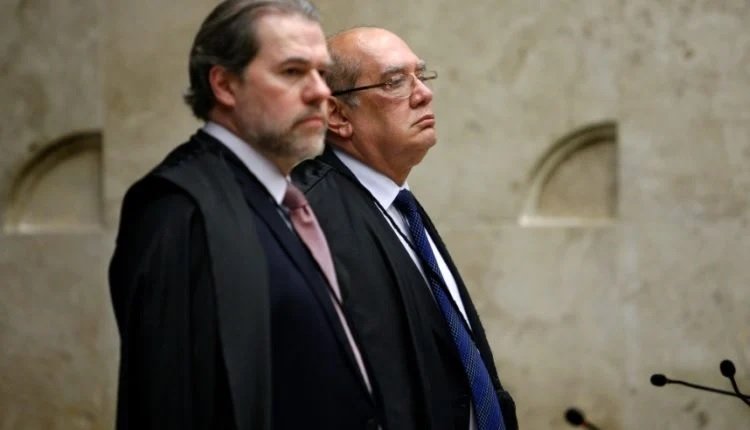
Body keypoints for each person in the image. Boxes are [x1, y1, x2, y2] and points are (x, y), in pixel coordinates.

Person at [108, 2, 379, 429]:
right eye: (292, 71)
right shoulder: (179, 207)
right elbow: (170, 399)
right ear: (225, 84)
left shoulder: (282, 200)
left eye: (322, 73)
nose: (320, 93)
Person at [293, 27, 518, 430]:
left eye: (421, 75)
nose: (424, 93)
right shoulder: (308, 216)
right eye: (395, 82)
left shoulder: (400, 205)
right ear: (337, 115)